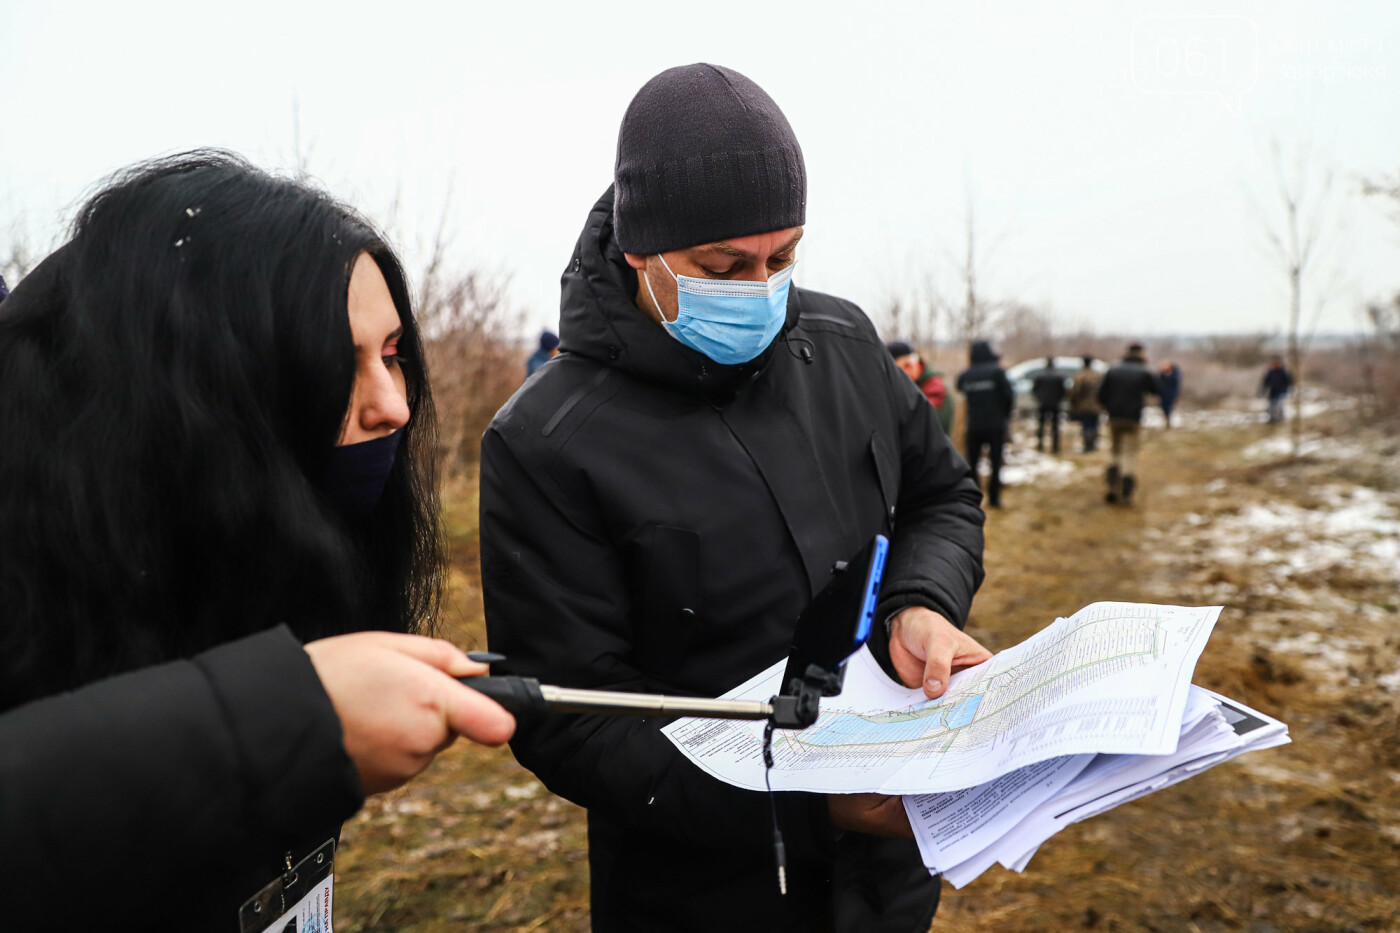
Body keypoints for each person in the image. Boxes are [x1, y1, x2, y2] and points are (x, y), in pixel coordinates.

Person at [481, 64, 989, 933]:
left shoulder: (842, 343)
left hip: (884, 877)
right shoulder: (547, 441)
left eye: (783, 256)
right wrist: (806, 805)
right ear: (642, 251)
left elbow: (943, 496)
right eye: (723, 265)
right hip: (697, 889)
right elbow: (572, 718)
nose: (760, 287)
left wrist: (919, 601)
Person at [0, 152, 514, 929]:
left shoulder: (253, 572)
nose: (394, 407)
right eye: (333, 363)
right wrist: (285, 723)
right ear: (200, 399)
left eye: (392, 354)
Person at [1097, 342, 1161, 505]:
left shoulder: (1113, 369)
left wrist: (1110, 407)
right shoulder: (1144, 371)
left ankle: (1113, 484)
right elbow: (1157, 390)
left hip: (1114, 417)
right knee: (1130, 453)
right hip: (1133, 418)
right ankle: (1126, 485)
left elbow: (1101, 395)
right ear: (1141, 354)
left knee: (1116, 450)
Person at [957, 339, 1015, 508]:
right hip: (996, 425)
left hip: (974, 425)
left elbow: (960, 390)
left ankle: (973, 498)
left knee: (972, 463)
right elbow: (1009, 396)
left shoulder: (966, 375)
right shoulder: (998, 372)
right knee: (995, 462)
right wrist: (1005, 415)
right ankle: (994, 498)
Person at [887, 339, 954, 434]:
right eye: (901, 369)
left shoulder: (934, 385)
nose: (908, 371)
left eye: (909, 365)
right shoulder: (905, 386)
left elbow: (924, 417)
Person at [1031, 355, 1066, 454]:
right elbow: (1063, 391)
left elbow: (1034, 390)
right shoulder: (1059, 376)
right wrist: (1058, 399)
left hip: (1043, 403)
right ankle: (1055, 447)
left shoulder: (1040, 375)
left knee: (1041, 425)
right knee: (1055, 426)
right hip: (1055, 404)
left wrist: (1039, 398)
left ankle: (1040, 445)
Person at [1068, 355, 1103, 453]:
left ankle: (1088, 446)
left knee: (1086, 425)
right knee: (1095, 425)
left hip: (1084, 406)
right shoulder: (1098, 375)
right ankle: (1093, 444)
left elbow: (1075, 392)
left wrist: (1073, 404)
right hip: (1096, 405)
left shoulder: (1080, 376)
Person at [1261, 355, 1292, 424]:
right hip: (1273, 391)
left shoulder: (1284, 372)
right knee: (1271, 406)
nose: (1274, 364)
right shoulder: (1271, 372)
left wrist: (1286, 390)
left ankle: (1280, 419)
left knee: (1279, 406)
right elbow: (1266, 381)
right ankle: (1273, 419)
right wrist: (1263, 390)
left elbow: (1289, 381)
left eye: (1276, 363)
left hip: (1281, 391)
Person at [1158, 361, 1182, 428]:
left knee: (1169, 407)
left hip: (1172, 394)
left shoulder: (1175, 373)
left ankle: (1169, 422)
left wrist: (1166, 375)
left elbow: (1175, 380)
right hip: (1163, 394)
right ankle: (1166, 421)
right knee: (1164, 408)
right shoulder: (1163, 373)